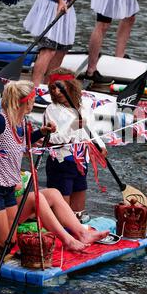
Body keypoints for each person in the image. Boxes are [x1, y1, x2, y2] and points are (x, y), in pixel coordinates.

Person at [0, 80, 56, 253]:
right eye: (32, 99)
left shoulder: (20, 122)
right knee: (2, 247)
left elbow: (23, 141)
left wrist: (41, 132)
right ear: (25, 101)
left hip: (8, 189)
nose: (33, 103)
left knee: (12, 241)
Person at [43, 68, 107, 214]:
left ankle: (77, 229)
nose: (56, 92)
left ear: (71, 86)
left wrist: (101, 145)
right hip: (61, 163)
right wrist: (72, 127)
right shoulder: (51, 110)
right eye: (53, 88)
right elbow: (51, 139)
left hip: (81, 163)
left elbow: (90, 130)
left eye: (60, 88)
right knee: (62, 211)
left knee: (78, 211)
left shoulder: (84, 107)